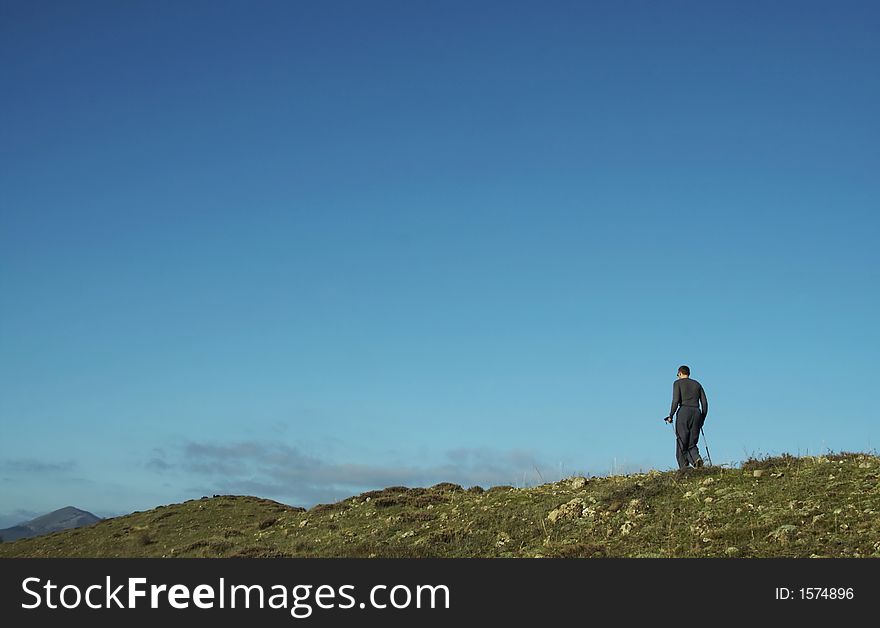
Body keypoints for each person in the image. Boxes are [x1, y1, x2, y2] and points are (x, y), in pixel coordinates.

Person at [665, 365, 708, 469]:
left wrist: (671, 415)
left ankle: (684, 468)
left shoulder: (677, 383)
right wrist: (702, 418)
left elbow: (675, 400)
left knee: (681, 441)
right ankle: (696, 460)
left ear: (680, 373)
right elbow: (705, 403)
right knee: (692, 443)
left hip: (684, 412)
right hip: (696, 412)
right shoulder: (697, 384)